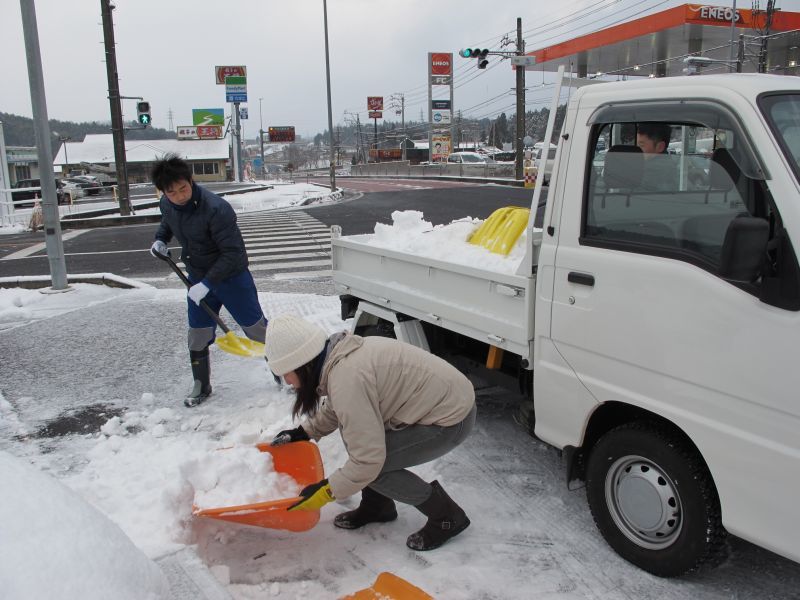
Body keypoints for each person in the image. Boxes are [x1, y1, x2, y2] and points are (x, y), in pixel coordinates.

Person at [265, 315, 477, 551]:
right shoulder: (339, 359)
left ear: (302, 364)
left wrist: (326, 491)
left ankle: (447, 517)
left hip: (449, 419)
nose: (286, 381)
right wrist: (305, 432)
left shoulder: (348, 377)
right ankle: (378, 507)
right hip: (443, 402)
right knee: (363, 446)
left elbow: (368, 462)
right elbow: (339, 408)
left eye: (285, 372)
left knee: (372, 467)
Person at [149, 154, 266, 407]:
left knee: (257, 329)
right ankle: (201, 384)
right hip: (198, 278)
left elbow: (232, 253)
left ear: (191, 181)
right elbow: (168, 221)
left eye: (184, 188)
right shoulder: (167, 204)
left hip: (232, 278)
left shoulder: (216, 208)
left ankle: (286, 372)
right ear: (164, 192)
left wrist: (207, 285)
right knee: (198, 334)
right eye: (172, 192)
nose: (180, 196)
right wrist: (160, 240)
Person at [636, 123, 679, 191]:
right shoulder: (668, 164)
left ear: (660, 147)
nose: (637, 150)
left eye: (641, 145)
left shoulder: (653, 170)